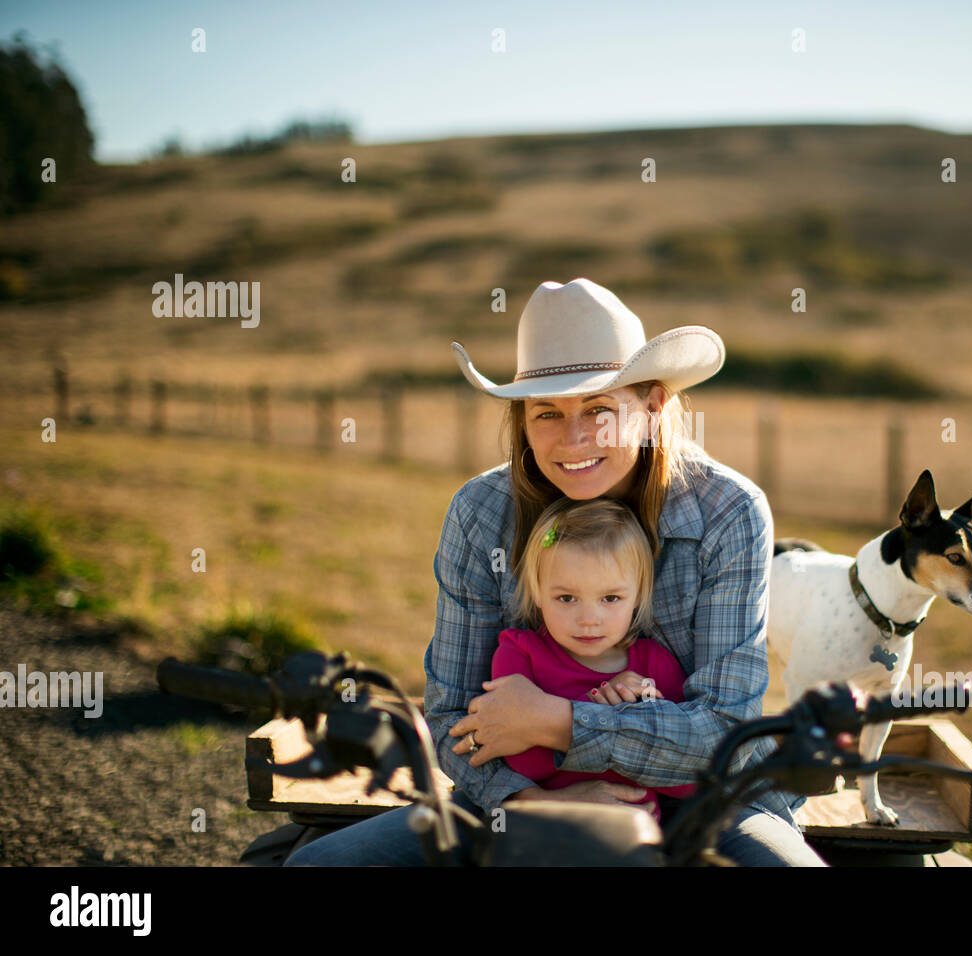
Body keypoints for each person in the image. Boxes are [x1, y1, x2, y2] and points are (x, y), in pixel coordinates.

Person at [287, 277, 825, 866]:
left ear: (652, 408)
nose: (573, 440)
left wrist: (562, 724)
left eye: (598, 408)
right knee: (319, 866)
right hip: (525, 793)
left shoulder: (729, 512)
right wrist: (533, 802)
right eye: (547, 413)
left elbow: (726, 733)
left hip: (710, 801)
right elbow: (450, 715)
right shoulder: (481, 513)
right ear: (521, 419)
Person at [493, 496, 694, 822]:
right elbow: (523, 762)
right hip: (540, 835)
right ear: (538, 592)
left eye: (610, 598)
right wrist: (601, 710)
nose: (589, 619)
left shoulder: (653, 665)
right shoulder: (519, 653)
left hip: (632, 844)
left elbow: (686, 781)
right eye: (567, 598)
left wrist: (637, 711)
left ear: (638, 596)